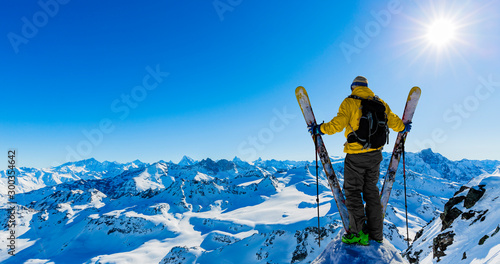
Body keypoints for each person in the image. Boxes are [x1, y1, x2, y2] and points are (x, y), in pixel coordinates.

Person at [308, 76, 411, 245]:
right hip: (376, 155)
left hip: (356, 155)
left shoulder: (349, 102)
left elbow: (337, 125)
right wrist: (404, 127)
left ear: (353, 87)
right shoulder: (381, 103)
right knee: (371, 191)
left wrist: (319, 129)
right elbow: (394, 122)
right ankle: (376, 234)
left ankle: (357, 233)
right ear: (367, 87)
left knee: (353, 191)